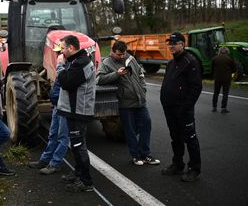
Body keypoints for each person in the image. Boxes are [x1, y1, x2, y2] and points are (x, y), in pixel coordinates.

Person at [96, 41, 160, 166]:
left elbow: (140, 74)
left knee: (146, 125)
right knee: (129, 131)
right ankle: (135, 156)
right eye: (119, 54)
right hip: (125, 103)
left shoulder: (130, 59)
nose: (121, 56)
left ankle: (146, 155)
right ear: (112, 52)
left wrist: (143, 88)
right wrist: (116, 74)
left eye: (123, 53)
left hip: (139, 100)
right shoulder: (107, 63)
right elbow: (100, 79)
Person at [160, 32, 203, 182]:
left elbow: (196, 87)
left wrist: (185, 107)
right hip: (170, 109)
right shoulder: (171, 63)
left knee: (190, 138)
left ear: (182, 44)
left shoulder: (190, 61)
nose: (171, 46)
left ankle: (194, 169)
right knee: (175, 138)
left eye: (174, 43)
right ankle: (178, 164)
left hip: (183, 109)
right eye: (169, 43)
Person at [56, 35, 95, 192]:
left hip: (78, 110)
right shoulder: (76, 61)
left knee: (79, 145)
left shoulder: (82, 63)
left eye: (63, 48)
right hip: (73, 110)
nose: (62, 52)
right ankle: (78, 174)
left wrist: (59, 65)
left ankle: (86, 182)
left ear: (71, 48)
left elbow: (66, 82)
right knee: (76, 144)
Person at [28, 44, 69, 175]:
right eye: (57, 53)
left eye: (60, 52)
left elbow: (65, 83)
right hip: (57, 104)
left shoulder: (68, 66)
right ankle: (45, 159)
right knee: (53, 134)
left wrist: (60, 65)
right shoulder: (62, 65)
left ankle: (55, 163)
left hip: (65, 106)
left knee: (63, 136)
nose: (57, 55)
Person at [211, 46, 236, 113]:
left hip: (217, 78)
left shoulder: (215, 58)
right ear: (227, 52)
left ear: (219, 51)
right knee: (225, 93)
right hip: (226, 79)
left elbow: (212, 69)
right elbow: (234, 69)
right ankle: (223, 108)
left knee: (216, 93)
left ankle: (214, 107)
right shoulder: (230, 59)